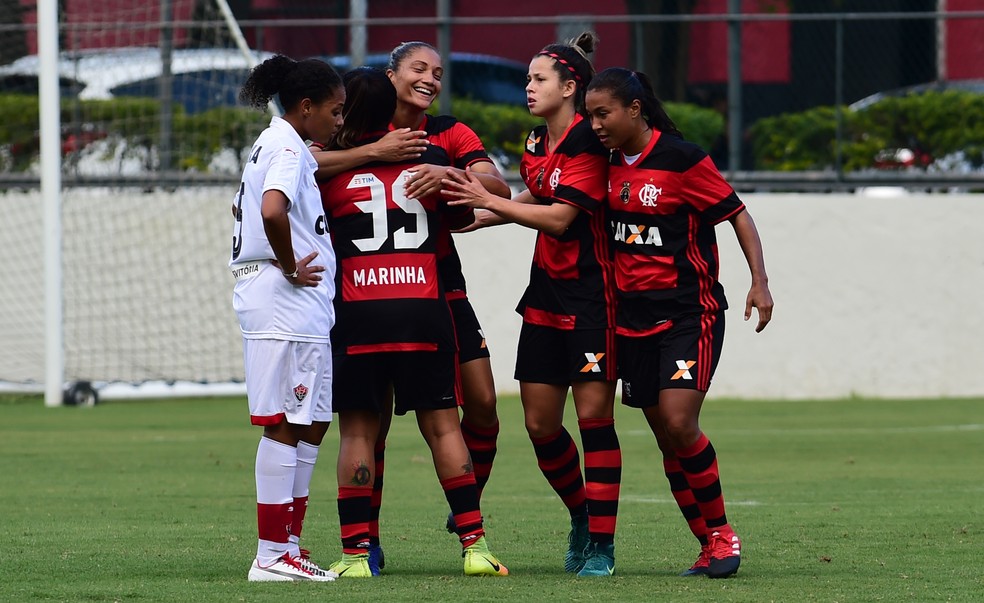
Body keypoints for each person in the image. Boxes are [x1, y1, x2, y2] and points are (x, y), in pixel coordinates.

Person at [312, 41, 510, 575]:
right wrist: (443, 180)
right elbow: (475, 213)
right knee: (445, 426)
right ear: (393, 79)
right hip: (424, 303)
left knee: (357, 431)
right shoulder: (433, 159)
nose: (430, 78)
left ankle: (356, 554)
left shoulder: (327, 171)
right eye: (419, 69)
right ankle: (475, 547)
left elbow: (291, 188)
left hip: (357, 307)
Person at [584, 67, 774, 579]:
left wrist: (759, 281)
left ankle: (722, 533)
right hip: (631, 321)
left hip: (690, 314)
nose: (596, 124)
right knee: (666, 436)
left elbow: (738, 214)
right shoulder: (601, 164)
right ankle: (707, 543)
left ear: (635, 110)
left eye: (604, 114)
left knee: (679, 420)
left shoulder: (682, 159)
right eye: (590, 115)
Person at [442, 32, 621, 578]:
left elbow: (563, 217)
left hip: (593, 297)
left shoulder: (591, 144)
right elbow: (538, 198)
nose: (529, 88)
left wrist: (488, 200)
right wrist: (482, 216)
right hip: (545, 295)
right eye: (527, 79)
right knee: (542, 425)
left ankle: (603, 546)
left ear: (571, 87)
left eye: (539, 79)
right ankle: (582, 514)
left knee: (593, 419)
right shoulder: (536, 142)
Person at [230, 54, 345, 582]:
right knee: (283, 422)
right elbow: (273, 209)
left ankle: (288, 546)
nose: (339, 121)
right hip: (282, 301)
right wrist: (288, 264)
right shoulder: (286, 147)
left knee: (310, 420)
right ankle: (272, 555)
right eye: (335, 111)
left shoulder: (280, 141)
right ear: (306, 107)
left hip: (297, 308)